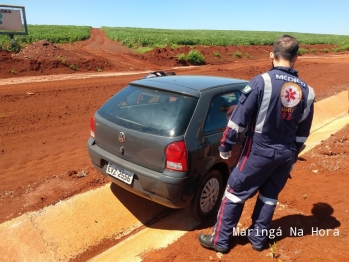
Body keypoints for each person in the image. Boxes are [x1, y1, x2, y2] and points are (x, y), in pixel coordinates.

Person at [198, 35, 315, 253]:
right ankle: (258, 240)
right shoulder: (307, 92)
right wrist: (292, 158)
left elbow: (237, 120)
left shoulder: (262, 82)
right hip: (286, 153)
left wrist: (225, 147)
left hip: (259, 151)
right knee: (269, 197)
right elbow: (302, 133)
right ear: (296, 57)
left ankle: (220, 241)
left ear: (272, 55)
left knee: (234, 192)